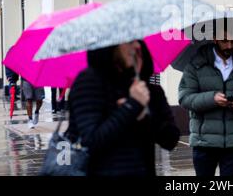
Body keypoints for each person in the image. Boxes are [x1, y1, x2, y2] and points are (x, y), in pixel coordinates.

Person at [66, 40, 180, 176]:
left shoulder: (149, 90)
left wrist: (147, 116)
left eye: (138, 41)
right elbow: (91, 140)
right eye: (130, 42)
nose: (137, 46)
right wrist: (131, 107)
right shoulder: (89, 81)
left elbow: (170, 140)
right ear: (110, 46)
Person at [178, 22, 233, 176]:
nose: (229, 46)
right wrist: (212, 99)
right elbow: (184, 98)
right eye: (224, 41)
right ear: (214, 38)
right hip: (204, 142)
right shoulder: (196, 63)